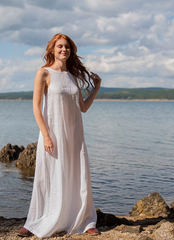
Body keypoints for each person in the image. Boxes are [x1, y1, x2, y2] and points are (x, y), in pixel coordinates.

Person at [16, 33, 101, 238]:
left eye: (67, 47)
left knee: (78, 174)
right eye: (60, 46)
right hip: (53, 134)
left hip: (74, 135)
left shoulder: (72, 76)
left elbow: (82, 107)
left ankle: (85, 220)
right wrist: (45, 135)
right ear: (52, 50)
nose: (64, 50)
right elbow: (36, 107)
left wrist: (96, 88)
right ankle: (35, 220)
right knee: (48, 175)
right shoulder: (43, 73)